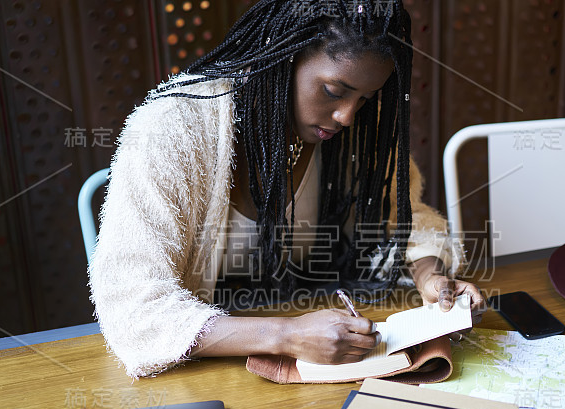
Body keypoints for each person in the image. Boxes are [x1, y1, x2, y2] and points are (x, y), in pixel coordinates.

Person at [89, 0, 485, 378]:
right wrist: (286, 335)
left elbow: (405, 218)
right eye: (333, 91)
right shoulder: (174, 128)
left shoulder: (351, 130)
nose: (347, 115)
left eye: (363, 99)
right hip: (210, 360)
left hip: (322, 335)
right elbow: (133, 306)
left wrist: (430, 278)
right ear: (282, 56)